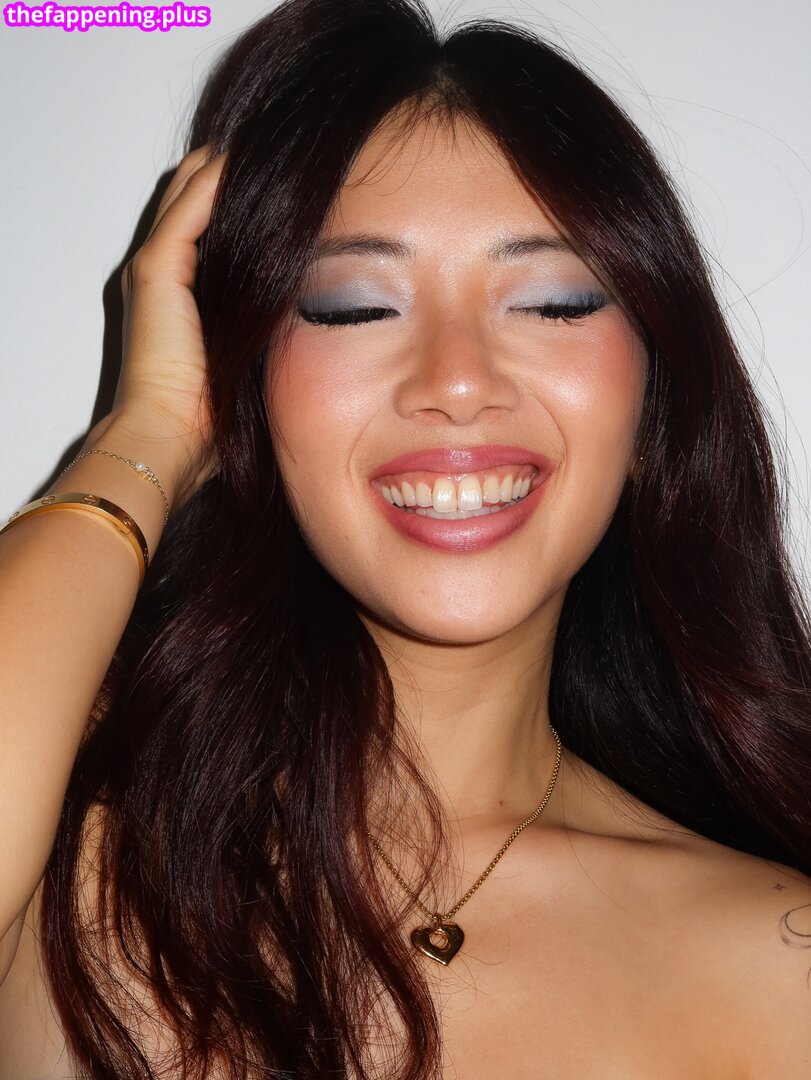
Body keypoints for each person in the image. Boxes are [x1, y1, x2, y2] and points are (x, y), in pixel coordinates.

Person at [1, 0, 811, 1075]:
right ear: (249, 385)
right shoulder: (75, 840)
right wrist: (147, 429)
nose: (457, 382)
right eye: (351, 305)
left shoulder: (781, 953)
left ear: (652, 391)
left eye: (553, 299)